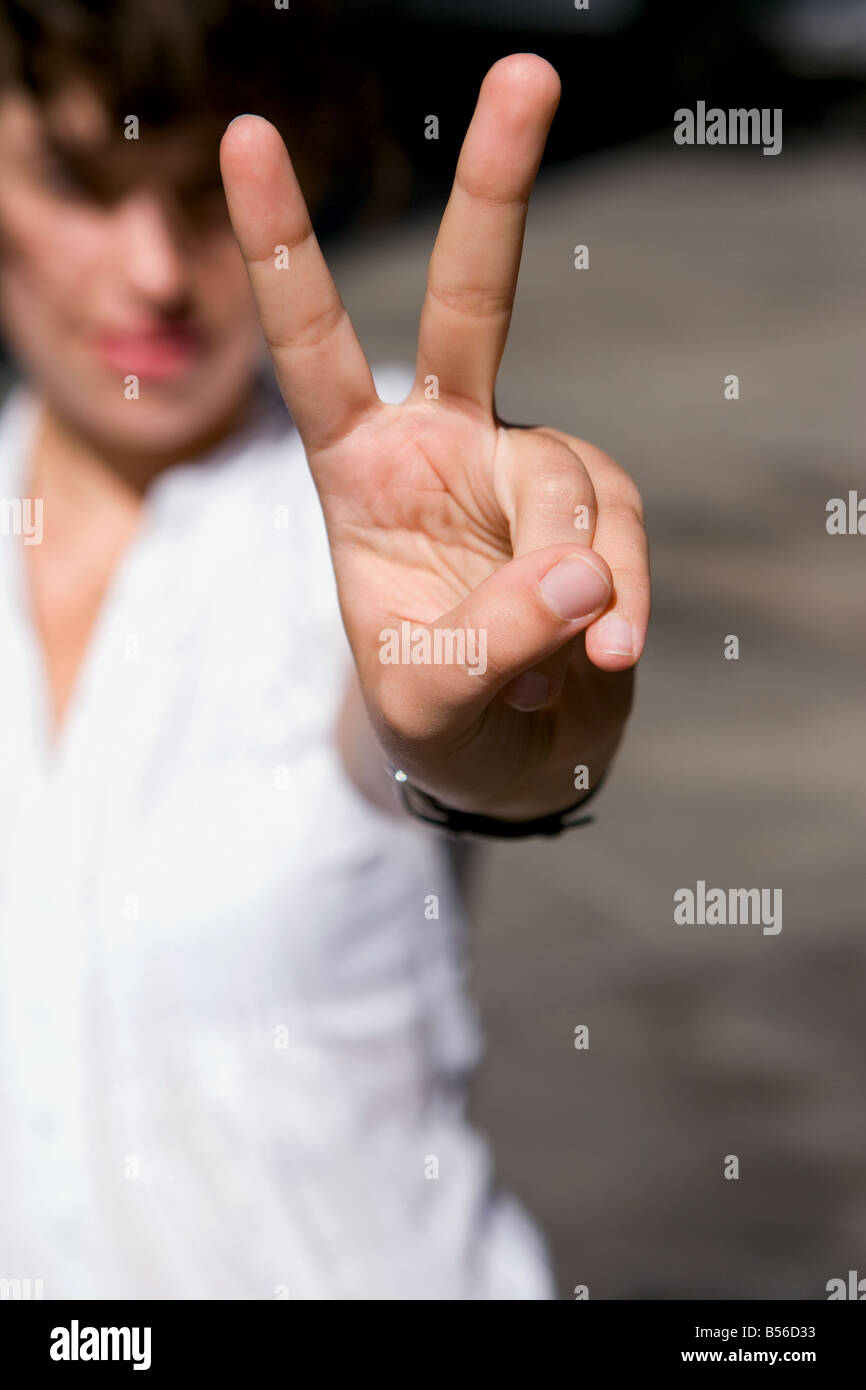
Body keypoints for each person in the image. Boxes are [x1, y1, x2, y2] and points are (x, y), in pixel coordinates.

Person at [0, 0, 649, 1298]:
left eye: (205, 195)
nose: (154, 274)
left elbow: (440, 751)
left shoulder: (375, 510)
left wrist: (494, 735)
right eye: (82, 182)